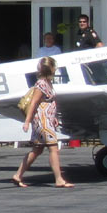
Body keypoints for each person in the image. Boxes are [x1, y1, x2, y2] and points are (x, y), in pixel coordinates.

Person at [13, 57, 73, 188]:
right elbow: (34, 103)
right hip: (42, 120)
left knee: (37, 150)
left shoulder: (47, 82)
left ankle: (18, 175)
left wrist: (54, 117)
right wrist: (27, 122)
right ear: (51, 68)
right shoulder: (41, 84)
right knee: (53, 148)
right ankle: (59, 179)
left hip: (47, 119)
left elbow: (49, 102)